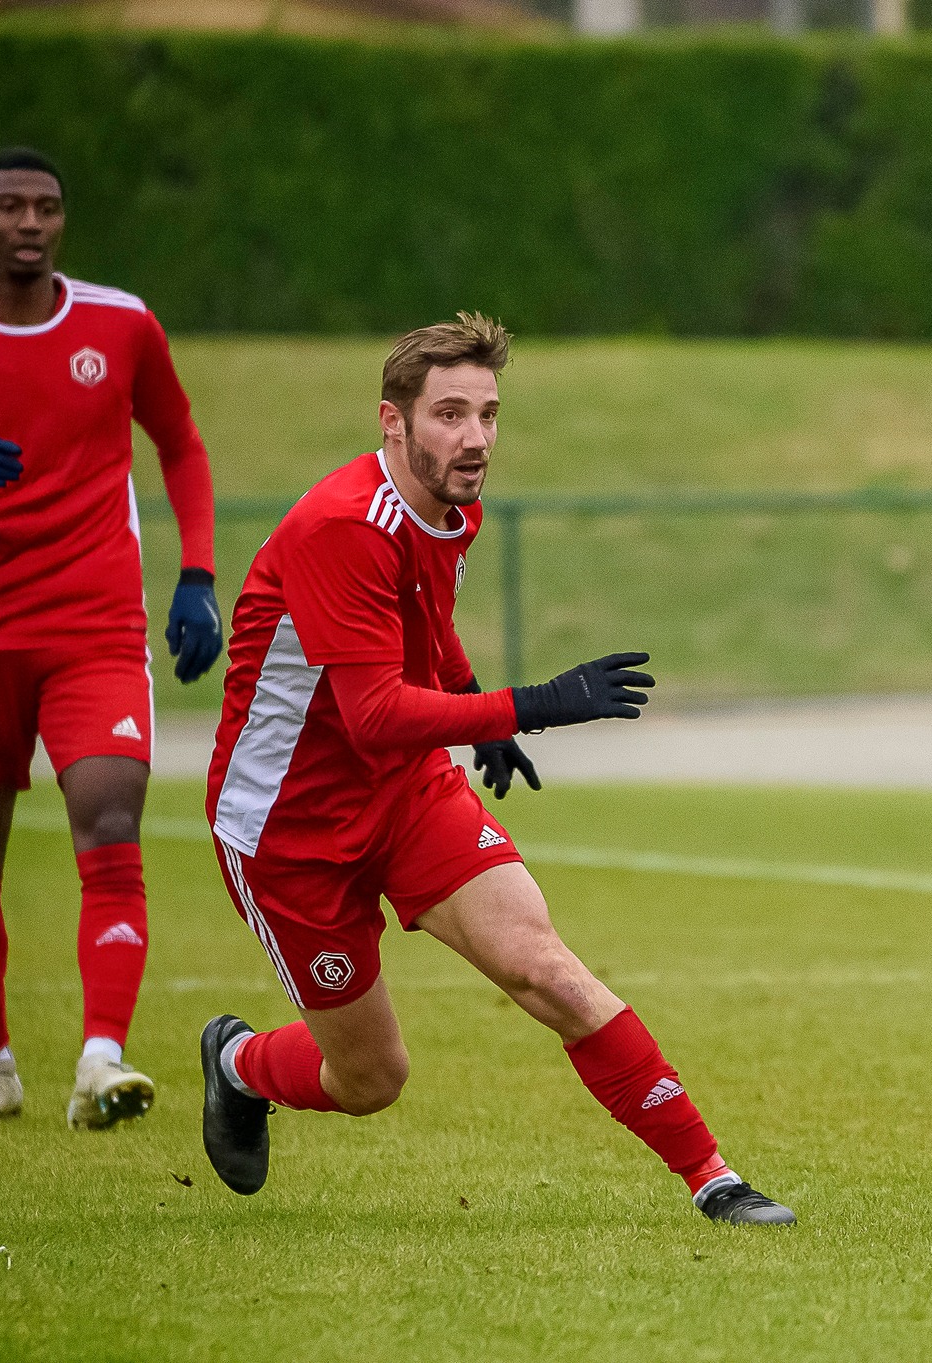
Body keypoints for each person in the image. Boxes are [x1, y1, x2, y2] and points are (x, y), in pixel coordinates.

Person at [196, 312, 793, 1225]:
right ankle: (239, 1065)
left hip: (406, 791)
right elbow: (376, 713)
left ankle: (715, 1179)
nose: (474, 439)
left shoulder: (450, 506)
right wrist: (531, 703)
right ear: (392, 422)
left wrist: (474, 703)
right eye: (448, 414)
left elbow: (421, 625)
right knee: (370, 1078)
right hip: (289, 830)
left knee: (546, 970)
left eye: (488, 413)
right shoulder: (341, 528)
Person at [0, 147, 222, 1130]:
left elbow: (179, 443)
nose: (32, 223)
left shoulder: (121, 323)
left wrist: (196, 576)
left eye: (48, 206)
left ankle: (100, 1061)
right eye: (11, 206)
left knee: (110, 818)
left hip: (94, 623)